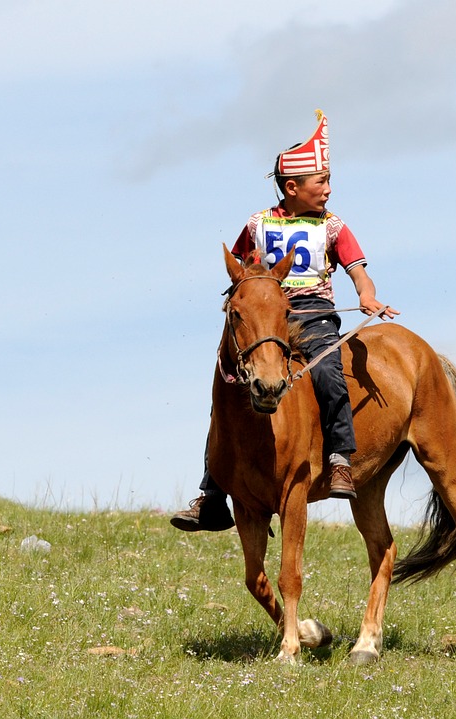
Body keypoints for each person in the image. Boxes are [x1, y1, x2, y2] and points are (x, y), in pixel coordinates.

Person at [171, 109, 399, 532]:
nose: (328, 191)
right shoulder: (258, 224)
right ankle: (212, 491)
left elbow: (356, 269)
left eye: (328, 183)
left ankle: (338, 459)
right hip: (267, 322)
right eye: (321, 183)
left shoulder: (333, 227)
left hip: (313, 316)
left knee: (330, 375)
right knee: (228, 391)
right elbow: (242, 269)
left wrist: (366, 294)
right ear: (292, 187)